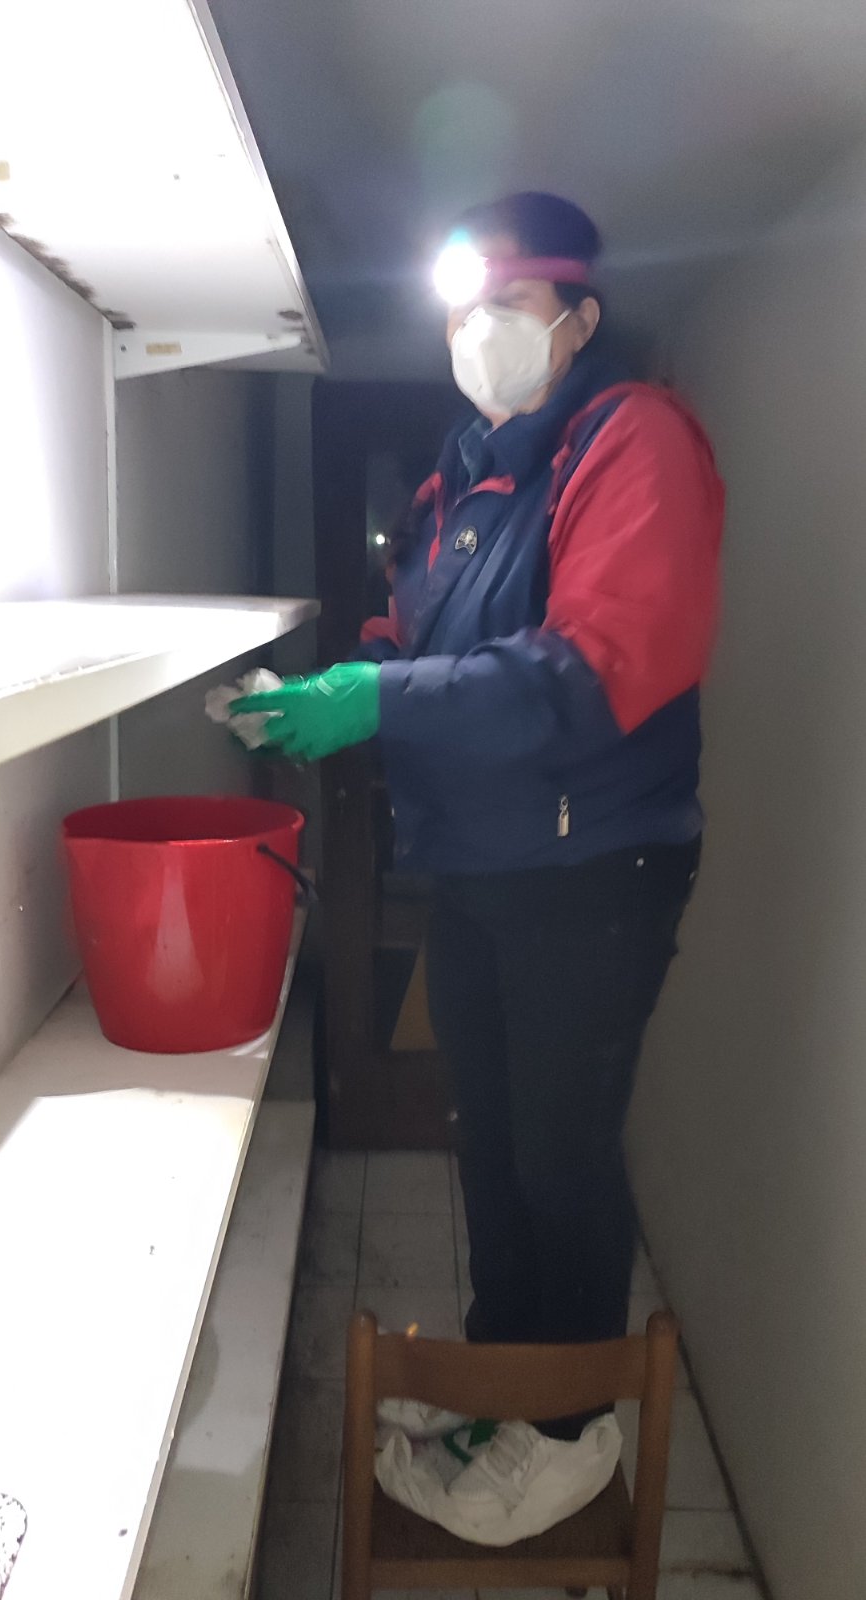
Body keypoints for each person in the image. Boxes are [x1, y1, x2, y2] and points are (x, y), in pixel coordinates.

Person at [233, 192, 723, 1442]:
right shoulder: (462, 477)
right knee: (492, 1147)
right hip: (475, 866)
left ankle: (566, 1437)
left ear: (580, 319)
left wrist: (377, 698)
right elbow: (410, 640)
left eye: (509, 302)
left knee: (561, 1158)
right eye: (462, 309)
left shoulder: (632, 440)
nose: (477, 328)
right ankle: (502, 1395)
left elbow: (592, 673)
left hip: (591, 869)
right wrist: (334, 686)